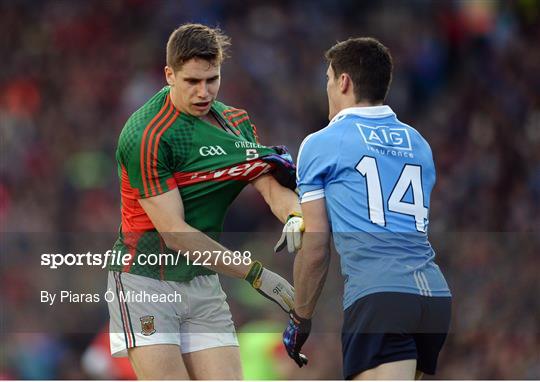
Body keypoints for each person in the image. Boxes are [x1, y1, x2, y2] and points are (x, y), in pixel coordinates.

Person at [107, 23, 304, 379]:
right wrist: (256, 275)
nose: (203, 92)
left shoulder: (236, 123)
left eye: (212, 80)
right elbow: (175, 233)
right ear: (169, 74)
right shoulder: (146, 134)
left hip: (202, 282)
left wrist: (294, 215)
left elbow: (270, 187)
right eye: (192, 82)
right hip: (146, 280)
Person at [282, 37, 452, 380]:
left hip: (379, 297)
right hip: (434, 297)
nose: (327, 88)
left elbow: (316, 246)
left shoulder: (321, 143)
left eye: (329, 79)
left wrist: (300, 317)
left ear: (344, 81)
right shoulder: (418, 142)